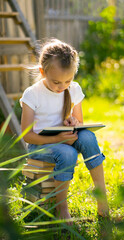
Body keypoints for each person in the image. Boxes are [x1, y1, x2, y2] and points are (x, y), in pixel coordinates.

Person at [20, 38, 108, 224]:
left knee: (88, 138)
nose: (62, 87)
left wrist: (72, 122)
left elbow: (79, 124)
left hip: (63, 139)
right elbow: (27, 135)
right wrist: (58, 139)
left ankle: (103, 202)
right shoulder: (32, 94)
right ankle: (62, 210)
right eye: (56, 82)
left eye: (68, 80)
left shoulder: (73, 89)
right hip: (40, 145)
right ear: (43, 72)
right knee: (67, 153)